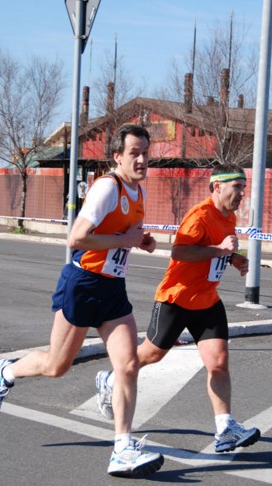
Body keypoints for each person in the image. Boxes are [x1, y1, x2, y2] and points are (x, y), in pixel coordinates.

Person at [0, 123, 164, 478]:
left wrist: (137, 241)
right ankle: (6, 371)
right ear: (117, 157)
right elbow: (76, 239)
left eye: (145, 153)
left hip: (112, 289)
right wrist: (124, 239)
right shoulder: (106, 188)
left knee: (126, 365)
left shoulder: (137, 191)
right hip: (82, 284)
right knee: (56, 366)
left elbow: (118, 236)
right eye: (134, 153)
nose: (142, 159)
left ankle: (122, 448)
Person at [96, 165, 261, 454]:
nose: (242, 193)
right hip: (177, 298)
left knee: (219, 363)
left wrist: (232, 257)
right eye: (236, 186)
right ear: (216, 187)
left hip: (207, 300)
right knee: (151, 355)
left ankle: (224, 428)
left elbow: (216, 248)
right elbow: (180, 251)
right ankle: (110, 378)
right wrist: (221, 250)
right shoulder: (199, 216)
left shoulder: (229, 216)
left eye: (243, 187)